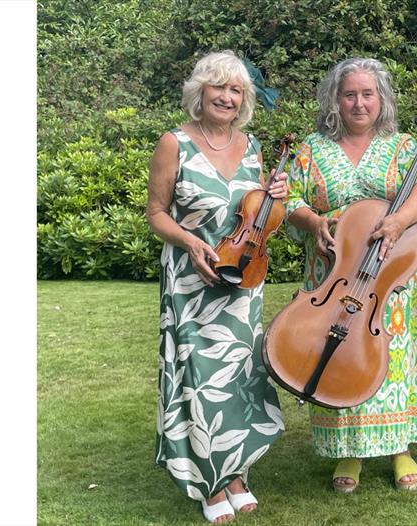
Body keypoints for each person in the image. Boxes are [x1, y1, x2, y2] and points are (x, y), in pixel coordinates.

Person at [146, 51, 287, 523]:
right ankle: (209, 483)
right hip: (191, 282)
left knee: (239, 377)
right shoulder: (174, 143)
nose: (226, 97)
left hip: (242, 280)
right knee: (199, 377)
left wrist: (276, 196)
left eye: (236, 90)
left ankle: (236, 473)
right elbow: (156, 213)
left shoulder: (251, 146)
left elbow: (259, 214)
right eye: (218, 87)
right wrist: (189, 242)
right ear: (200, 92)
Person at [284, 57, 417, 493]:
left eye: (368, 94)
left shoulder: (402, 145)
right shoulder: (311, 148)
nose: (358, 103)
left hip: (387, 270)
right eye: (349, 94)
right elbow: (290, 199)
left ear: (381, 99)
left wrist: (398, 221)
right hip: (332, 270)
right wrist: (314, 221)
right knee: (336, 353)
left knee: (393, 353)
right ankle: (348, 450)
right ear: (335, 99)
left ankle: (399, 448)